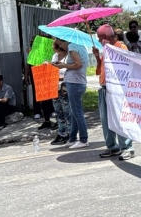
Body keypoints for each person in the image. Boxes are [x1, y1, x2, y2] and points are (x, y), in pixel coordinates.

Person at [93, 24, 135, 160]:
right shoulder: (106, 49)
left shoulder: (120, 47)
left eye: (100, 38)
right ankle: (112, 147)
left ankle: (127, 147)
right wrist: (96, 56)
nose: (99, 41)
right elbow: (100, 70)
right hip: (104, 88)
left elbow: (125, 68)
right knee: (106, 120)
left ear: (105, 37)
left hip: (116, 90)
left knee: (119, 119)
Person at [53, 39, 89, 148]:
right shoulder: (78, 45)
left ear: (64, 41)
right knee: (74, 112)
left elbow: (78, 64)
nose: (60, 46)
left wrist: (63, 66)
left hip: (75, 83)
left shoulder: (72, 48)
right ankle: (72, 138)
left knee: (77, 112)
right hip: (76, 82)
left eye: (60, 44)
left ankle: (83, 139)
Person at [49, 40, 72, 145]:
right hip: (55, 87)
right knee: (58, 111)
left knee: (67, 111)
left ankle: (70, 133)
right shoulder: (54, 56)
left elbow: (69, 71)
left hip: (65, 86)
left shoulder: (69, 57)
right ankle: (61, 133)